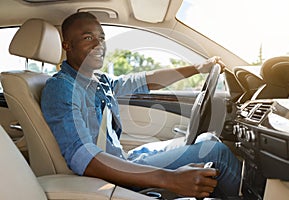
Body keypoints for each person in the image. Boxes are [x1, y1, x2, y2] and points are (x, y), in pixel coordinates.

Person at [41, 12, 241, 198]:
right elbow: (84, 157)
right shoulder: (61, 88)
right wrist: (170, 178)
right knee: (215, 152)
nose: (99, 45)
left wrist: (199, 68)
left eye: (101, 38)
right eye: (88, 38)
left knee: (206, 138)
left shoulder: (99, 81)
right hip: (109, 176)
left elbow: (147, 80)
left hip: (125, 160)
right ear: (67, 45)